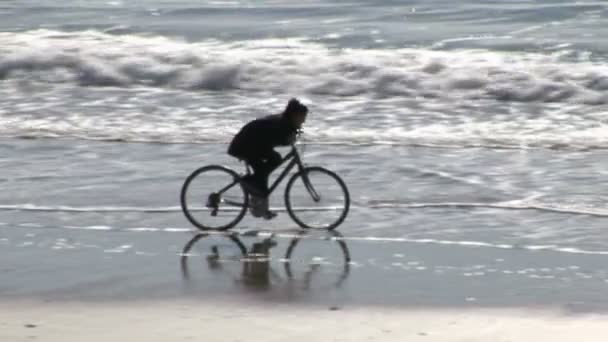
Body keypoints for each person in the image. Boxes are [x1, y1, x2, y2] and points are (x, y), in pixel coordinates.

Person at [228, 98, 308, 219]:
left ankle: (261, 207)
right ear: (295, 115)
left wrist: (294, 134)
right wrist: (291, 138)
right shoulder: (283, 124)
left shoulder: (285, 122)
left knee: (265, 171)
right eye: (302, 119)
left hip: (252, 144)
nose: (303, 122)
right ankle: (246, 182)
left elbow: (277, 139)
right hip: (244, 145)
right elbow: (281, 139)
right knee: (270, 164)